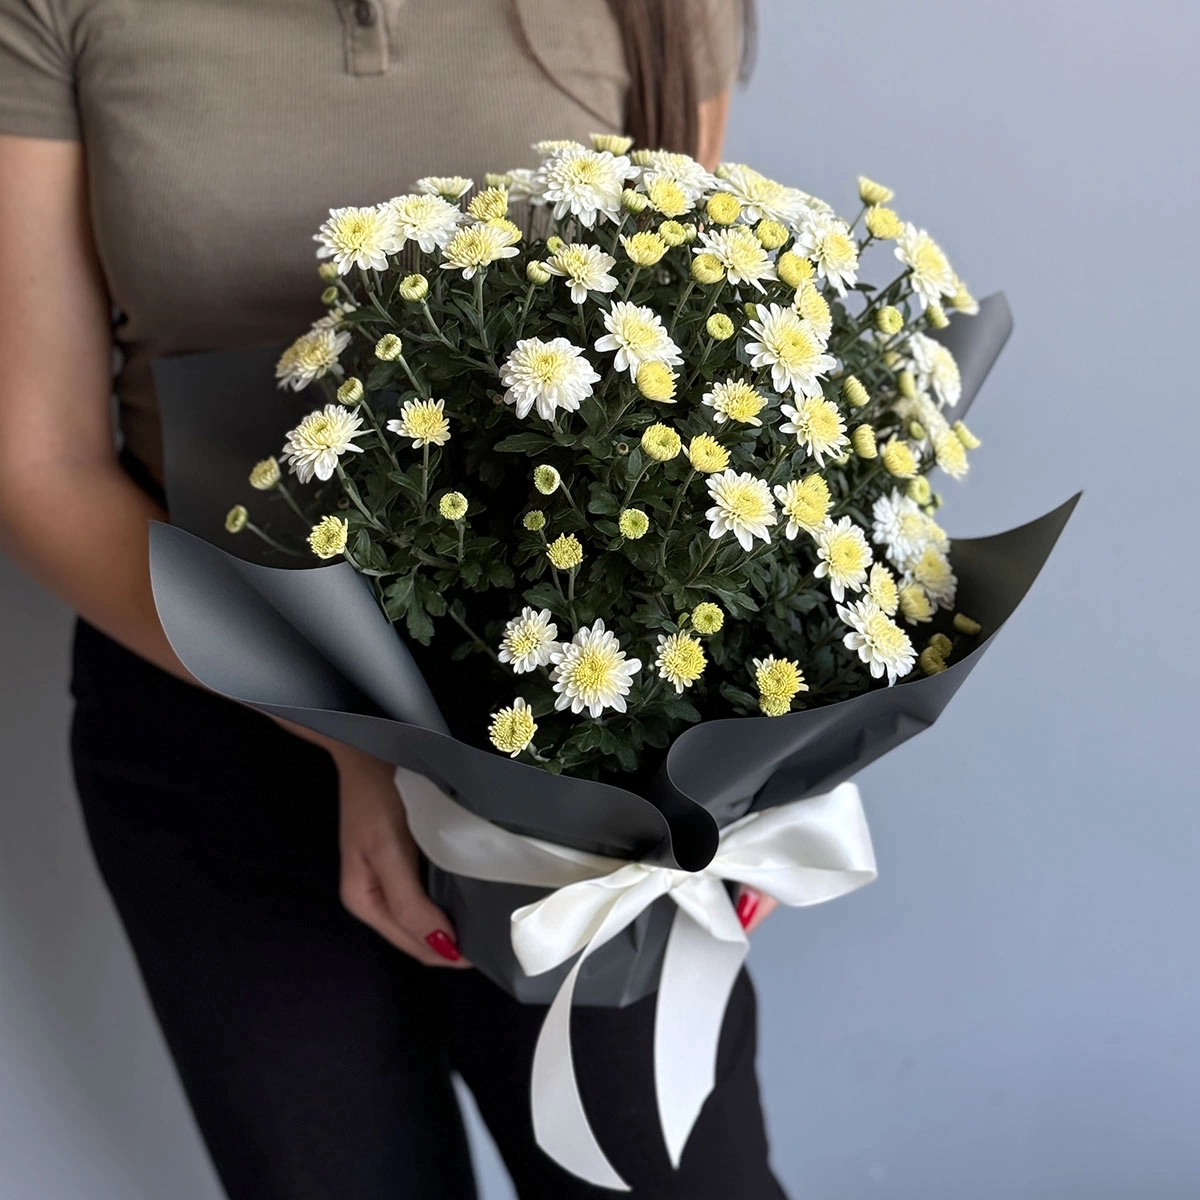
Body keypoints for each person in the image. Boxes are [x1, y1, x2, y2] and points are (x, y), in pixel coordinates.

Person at [0, 1, 786, 1196]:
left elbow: (679, 371)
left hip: (569, 758)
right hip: (200, 702)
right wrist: (354, 740)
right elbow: (38, 460)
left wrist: (749, 739)